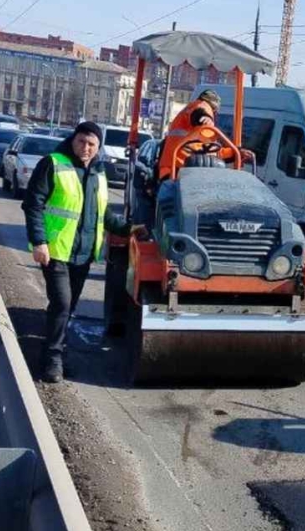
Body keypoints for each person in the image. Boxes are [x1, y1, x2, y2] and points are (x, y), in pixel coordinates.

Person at [22, 121, 144, 383]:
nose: (85, 148)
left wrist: (128, 229)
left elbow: (103, 213)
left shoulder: (98, 172)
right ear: (73, 140)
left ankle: (56, 350)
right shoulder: (53, 163)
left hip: (84, 254)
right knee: (62, 303)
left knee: (67, 307)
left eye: (91, 144)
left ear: (98, 147)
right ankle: (53, 360)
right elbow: (32, 204)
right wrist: (39, 241)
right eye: (81, 141)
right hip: (56, 251)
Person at [157, 89, 222, 181]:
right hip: (178, 167)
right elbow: (198, 111)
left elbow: (212, 149)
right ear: (214, 108)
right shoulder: (202, 105)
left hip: (173, 167)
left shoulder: (198, 128)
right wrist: (204, 116)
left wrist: (233, 154)